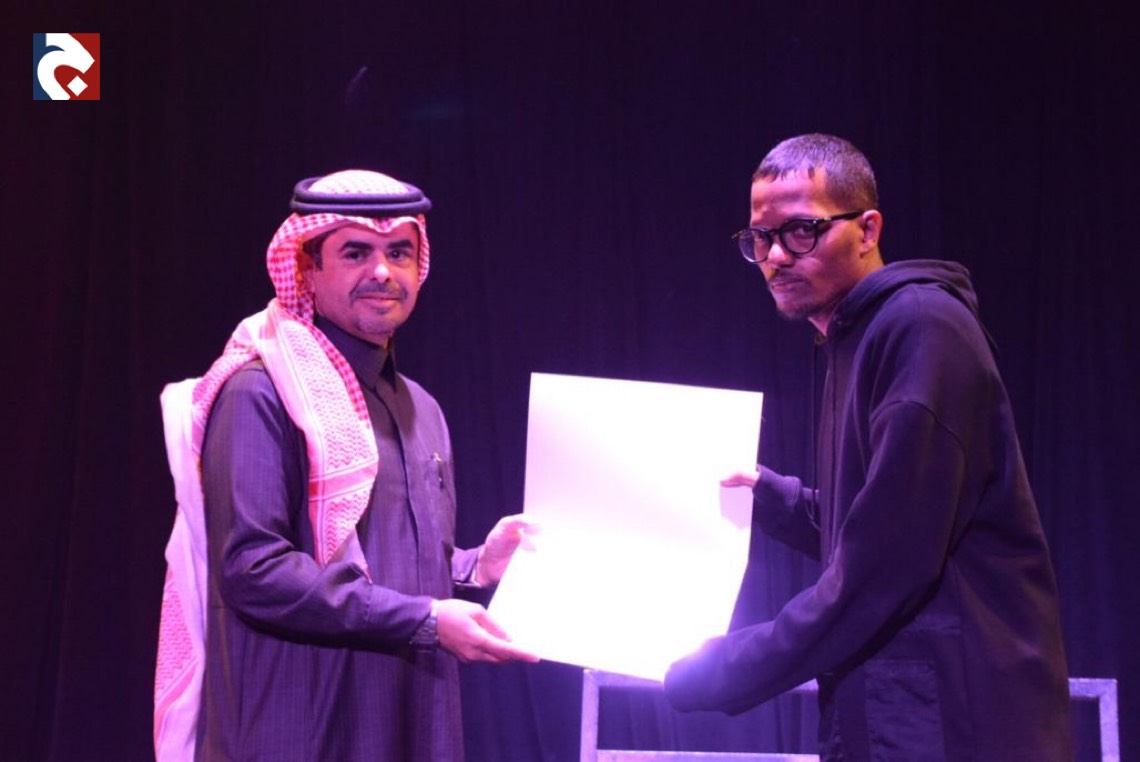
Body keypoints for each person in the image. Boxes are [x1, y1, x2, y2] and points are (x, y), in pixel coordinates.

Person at [663, 134, 1072, 760]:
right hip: (898, 718)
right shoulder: (854, 338)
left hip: (956, 726)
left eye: (802, 231)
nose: (776, 256)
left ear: (868, 229)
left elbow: (883, 567)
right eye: (760, 239)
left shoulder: (920, 327)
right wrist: (772, 498)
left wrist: (719, 669)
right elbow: (886, 522)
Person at [154, 169, 538, 761]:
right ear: (306, 267)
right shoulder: (262, 391)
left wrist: (475, 569)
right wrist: (426, 619)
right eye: (356, 252)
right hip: (299, 733)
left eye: (399, 252)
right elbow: (254, 569)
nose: (382, 271)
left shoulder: (422, 409)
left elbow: (395, 561)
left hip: (412, 724)